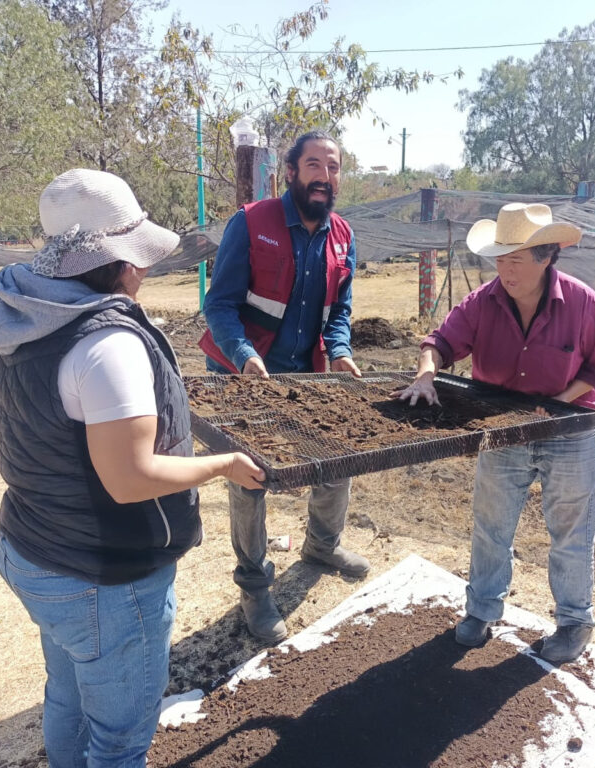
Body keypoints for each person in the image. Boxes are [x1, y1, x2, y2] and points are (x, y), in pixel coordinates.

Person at [0, 168, 265, 768]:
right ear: (122, 261)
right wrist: (221, 467)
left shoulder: (28, 316)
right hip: (103, 577)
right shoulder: (107, 344)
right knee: (117, 742)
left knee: (67, 695)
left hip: (36, 550)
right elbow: (129, 478)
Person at [393, 202, 595, 663]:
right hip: (501, 428)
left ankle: (574, 622)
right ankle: (482, 610)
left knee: (570, 534)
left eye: (515, 258)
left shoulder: (582, 302)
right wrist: (426, 375)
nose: (504, 268)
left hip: (570, 429)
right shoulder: (483, 302)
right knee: (491, 526)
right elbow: (439, 342)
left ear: (546, 257)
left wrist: (554, 405)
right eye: (500, 258)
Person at [199, 130, 369, 644]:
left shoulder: (343, 236)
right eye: (313, 164)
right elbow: (220, 304)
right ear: (290, 173)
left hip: (307, 373)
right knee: (250, 480)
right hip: (244, 375)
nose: (324, 175)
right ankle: (254, 585)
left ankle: (321, 545)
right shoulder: (252, 223)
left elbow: (338, 311)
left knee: (337, 457)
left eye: (333, 167)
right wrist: (244, 355)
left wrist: (339, 351)